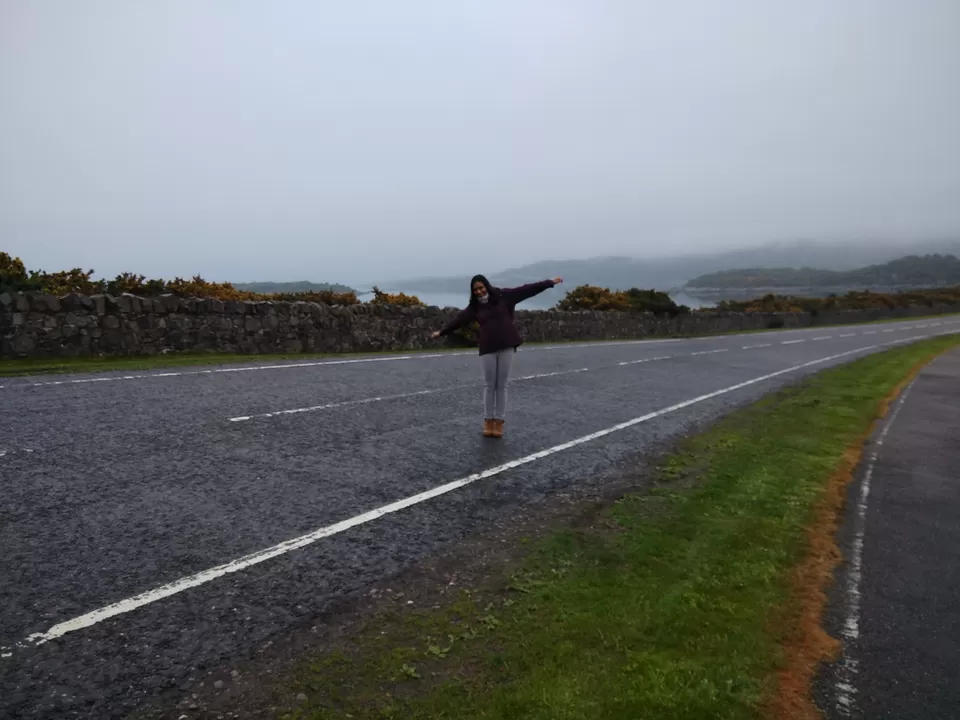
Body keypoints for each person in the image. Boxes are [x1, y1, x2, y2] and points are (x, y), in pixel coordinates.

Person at [431, 274, 563, 438]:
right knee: (489, 385)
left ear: (486, 285)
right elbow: (458, 321)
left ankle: (499, 421)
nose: (479, 291)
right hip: (488, 347)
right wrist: (442, 332)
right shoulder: (475, 307)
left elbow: (527, 289)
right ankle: (488, 420)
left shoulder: (504, 296)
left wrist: (549, 283)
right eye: (476, 290)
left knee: (502, 385)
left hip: (507, 344)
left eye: (481, 287)